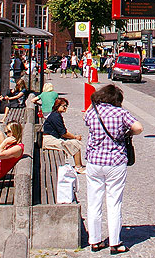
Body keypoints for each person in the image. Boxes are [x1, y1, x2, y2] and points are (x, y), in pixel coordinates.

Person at [85, 84, 143, 254]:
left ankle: (94, 241)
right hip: (115, 162)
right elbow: (139, 128)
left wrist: (94, 101)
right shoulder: (121, 113)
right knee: (114, 203)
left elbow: (86, 119)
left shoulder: (92, 112)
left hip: (94, 162)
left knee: (94, 203)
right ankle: (115, 243)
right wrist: (127, 133)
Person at [42, 97, 86, 173]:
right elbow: (64, 133)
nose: (65, 108)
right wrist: (75, 137)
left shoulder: (55, 115)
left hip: (51, 138)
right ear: (57, 106)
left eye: (66, 106)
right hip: (48, 139)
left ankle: (79, 165)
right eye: (63, 106)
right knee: (75, 143)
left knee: (74, 143)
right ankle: (78, 167)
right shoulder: (55, 116)